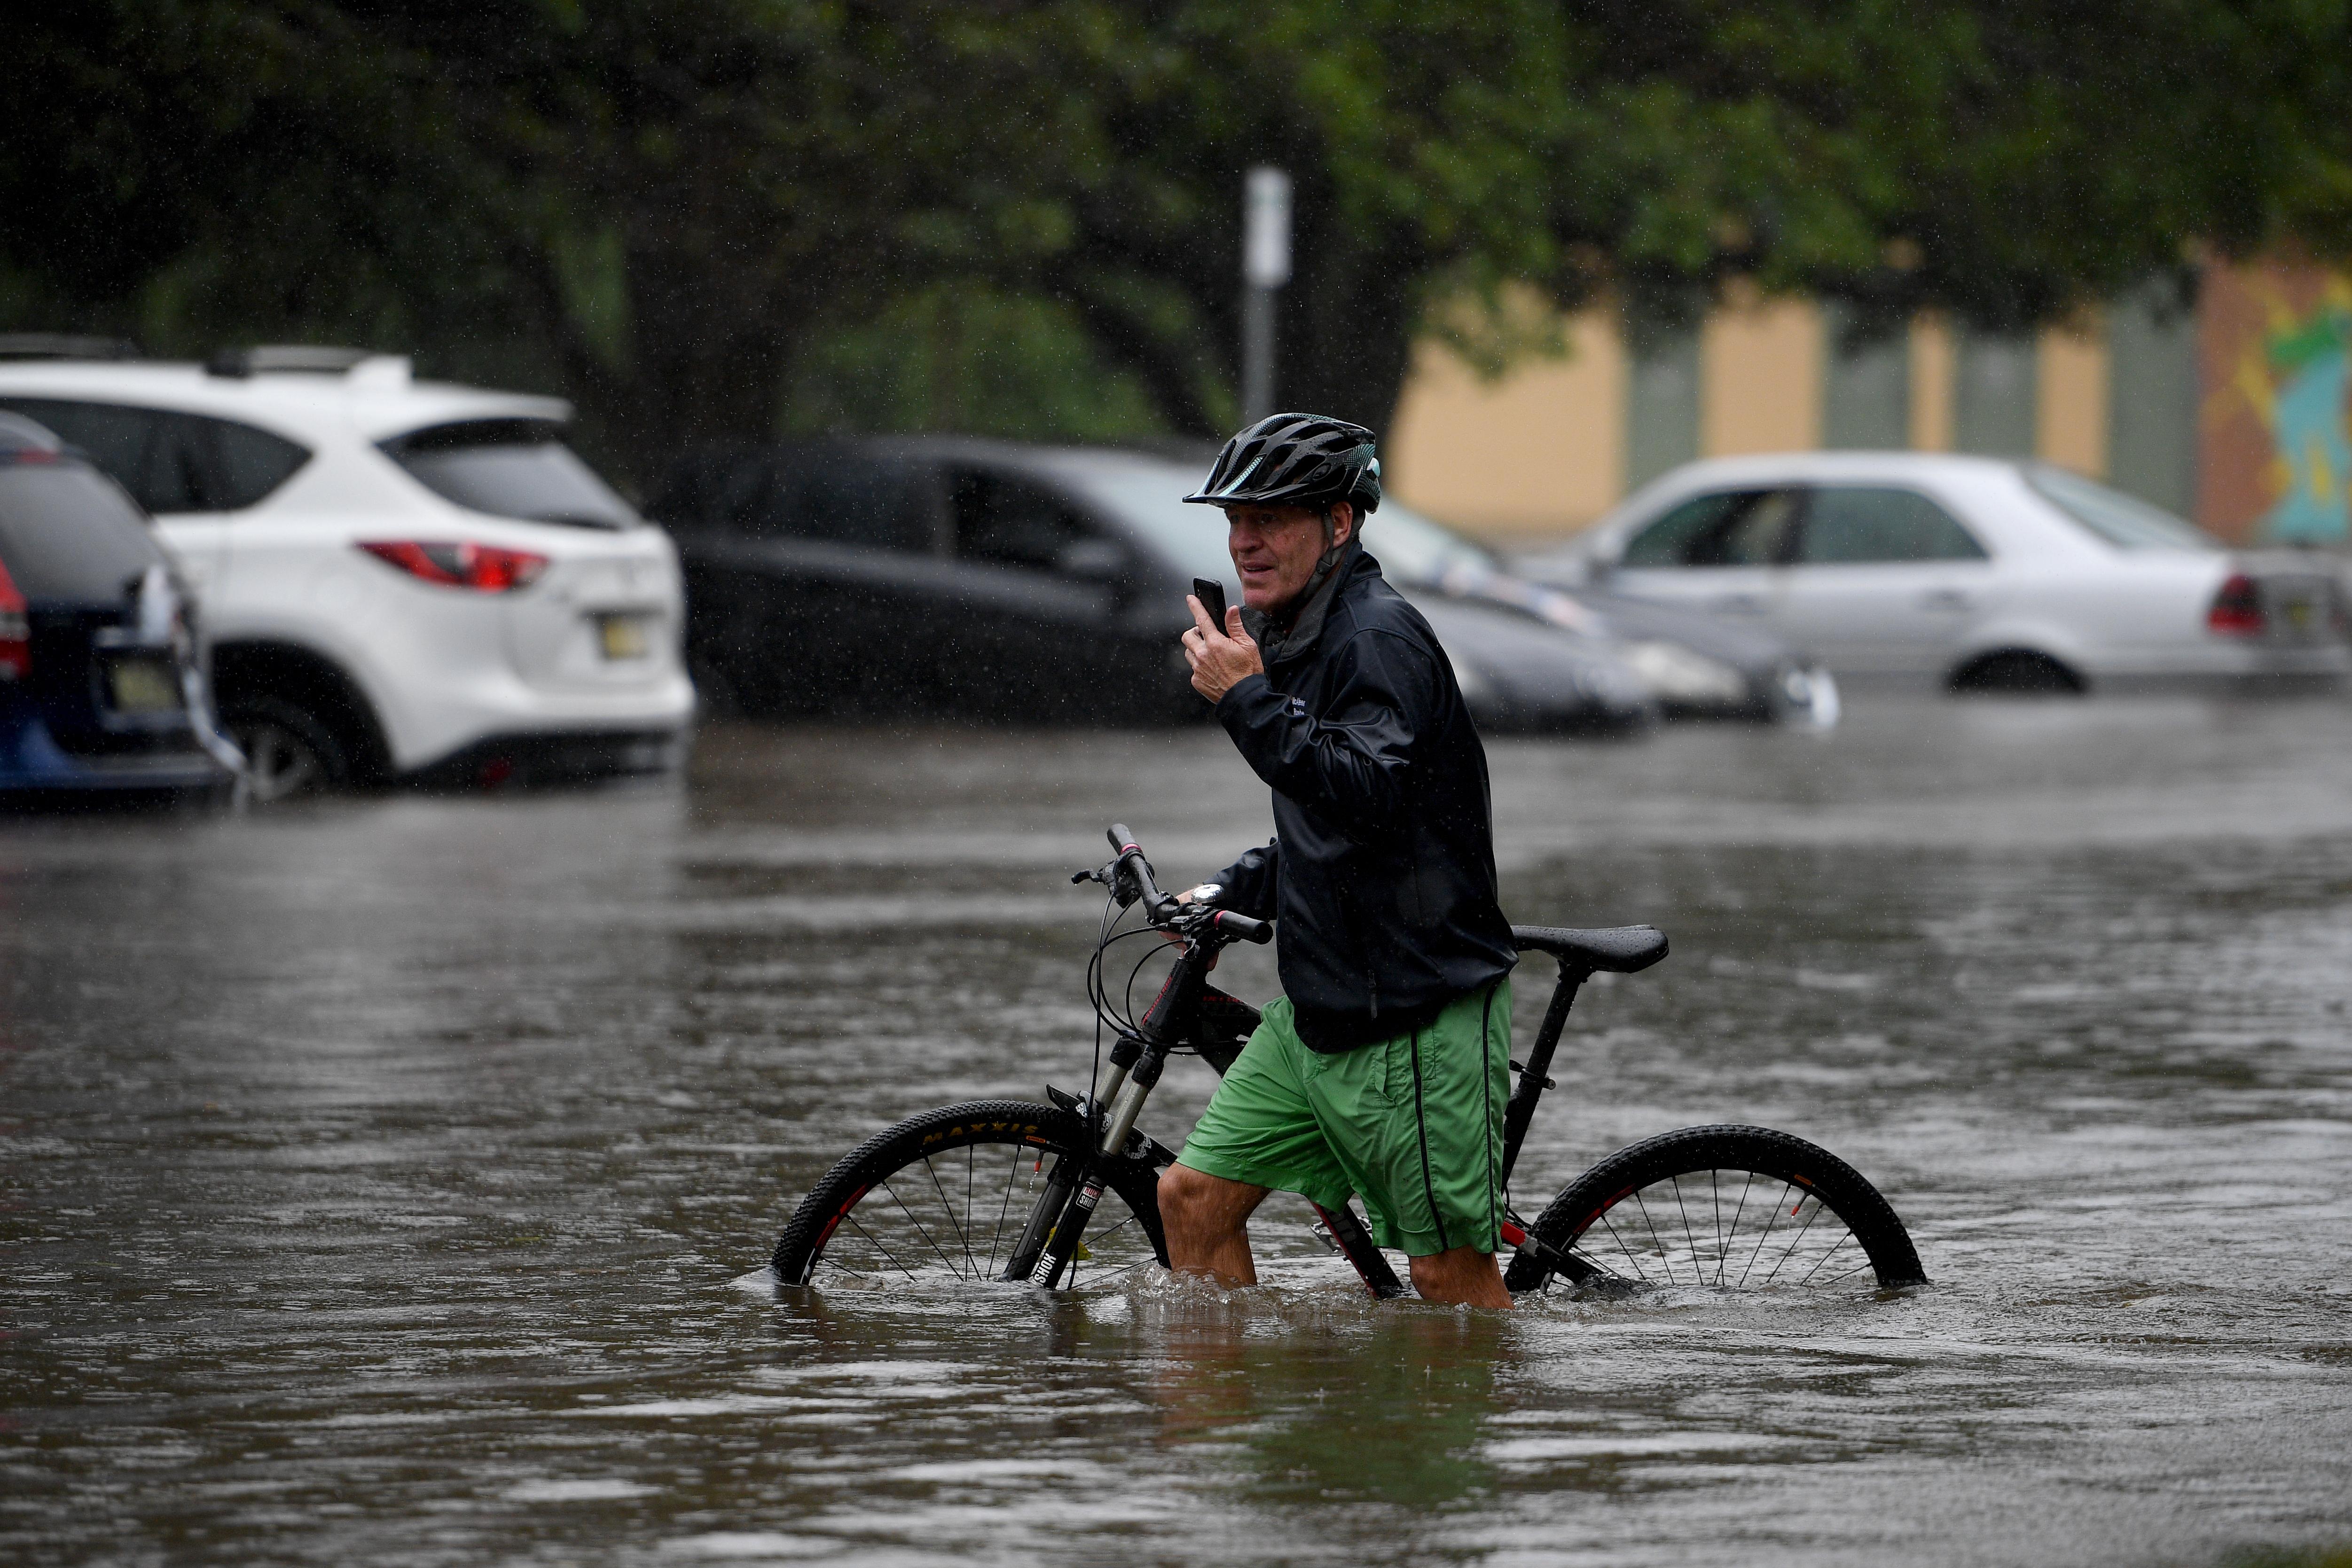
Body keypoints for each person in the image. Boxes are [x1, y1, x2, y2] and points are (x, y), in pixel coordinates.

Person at [1159, 412, 1520, 1309]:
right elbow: (1334, 829)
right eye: (1236, 519)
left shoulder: (1375, 639)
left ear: (1340, 523)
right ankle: (1239, 1444)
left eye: (1272, 517)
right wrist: (1230, 887)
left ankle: (1454, 1438)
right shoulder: (1294, 635)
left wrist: (1245, 700)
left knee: (1450, 1283)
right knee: (1193, 1201)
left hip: (1416, 1016)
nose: (1246, 540)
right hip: (1321, 1016)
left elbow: (1369, 791)